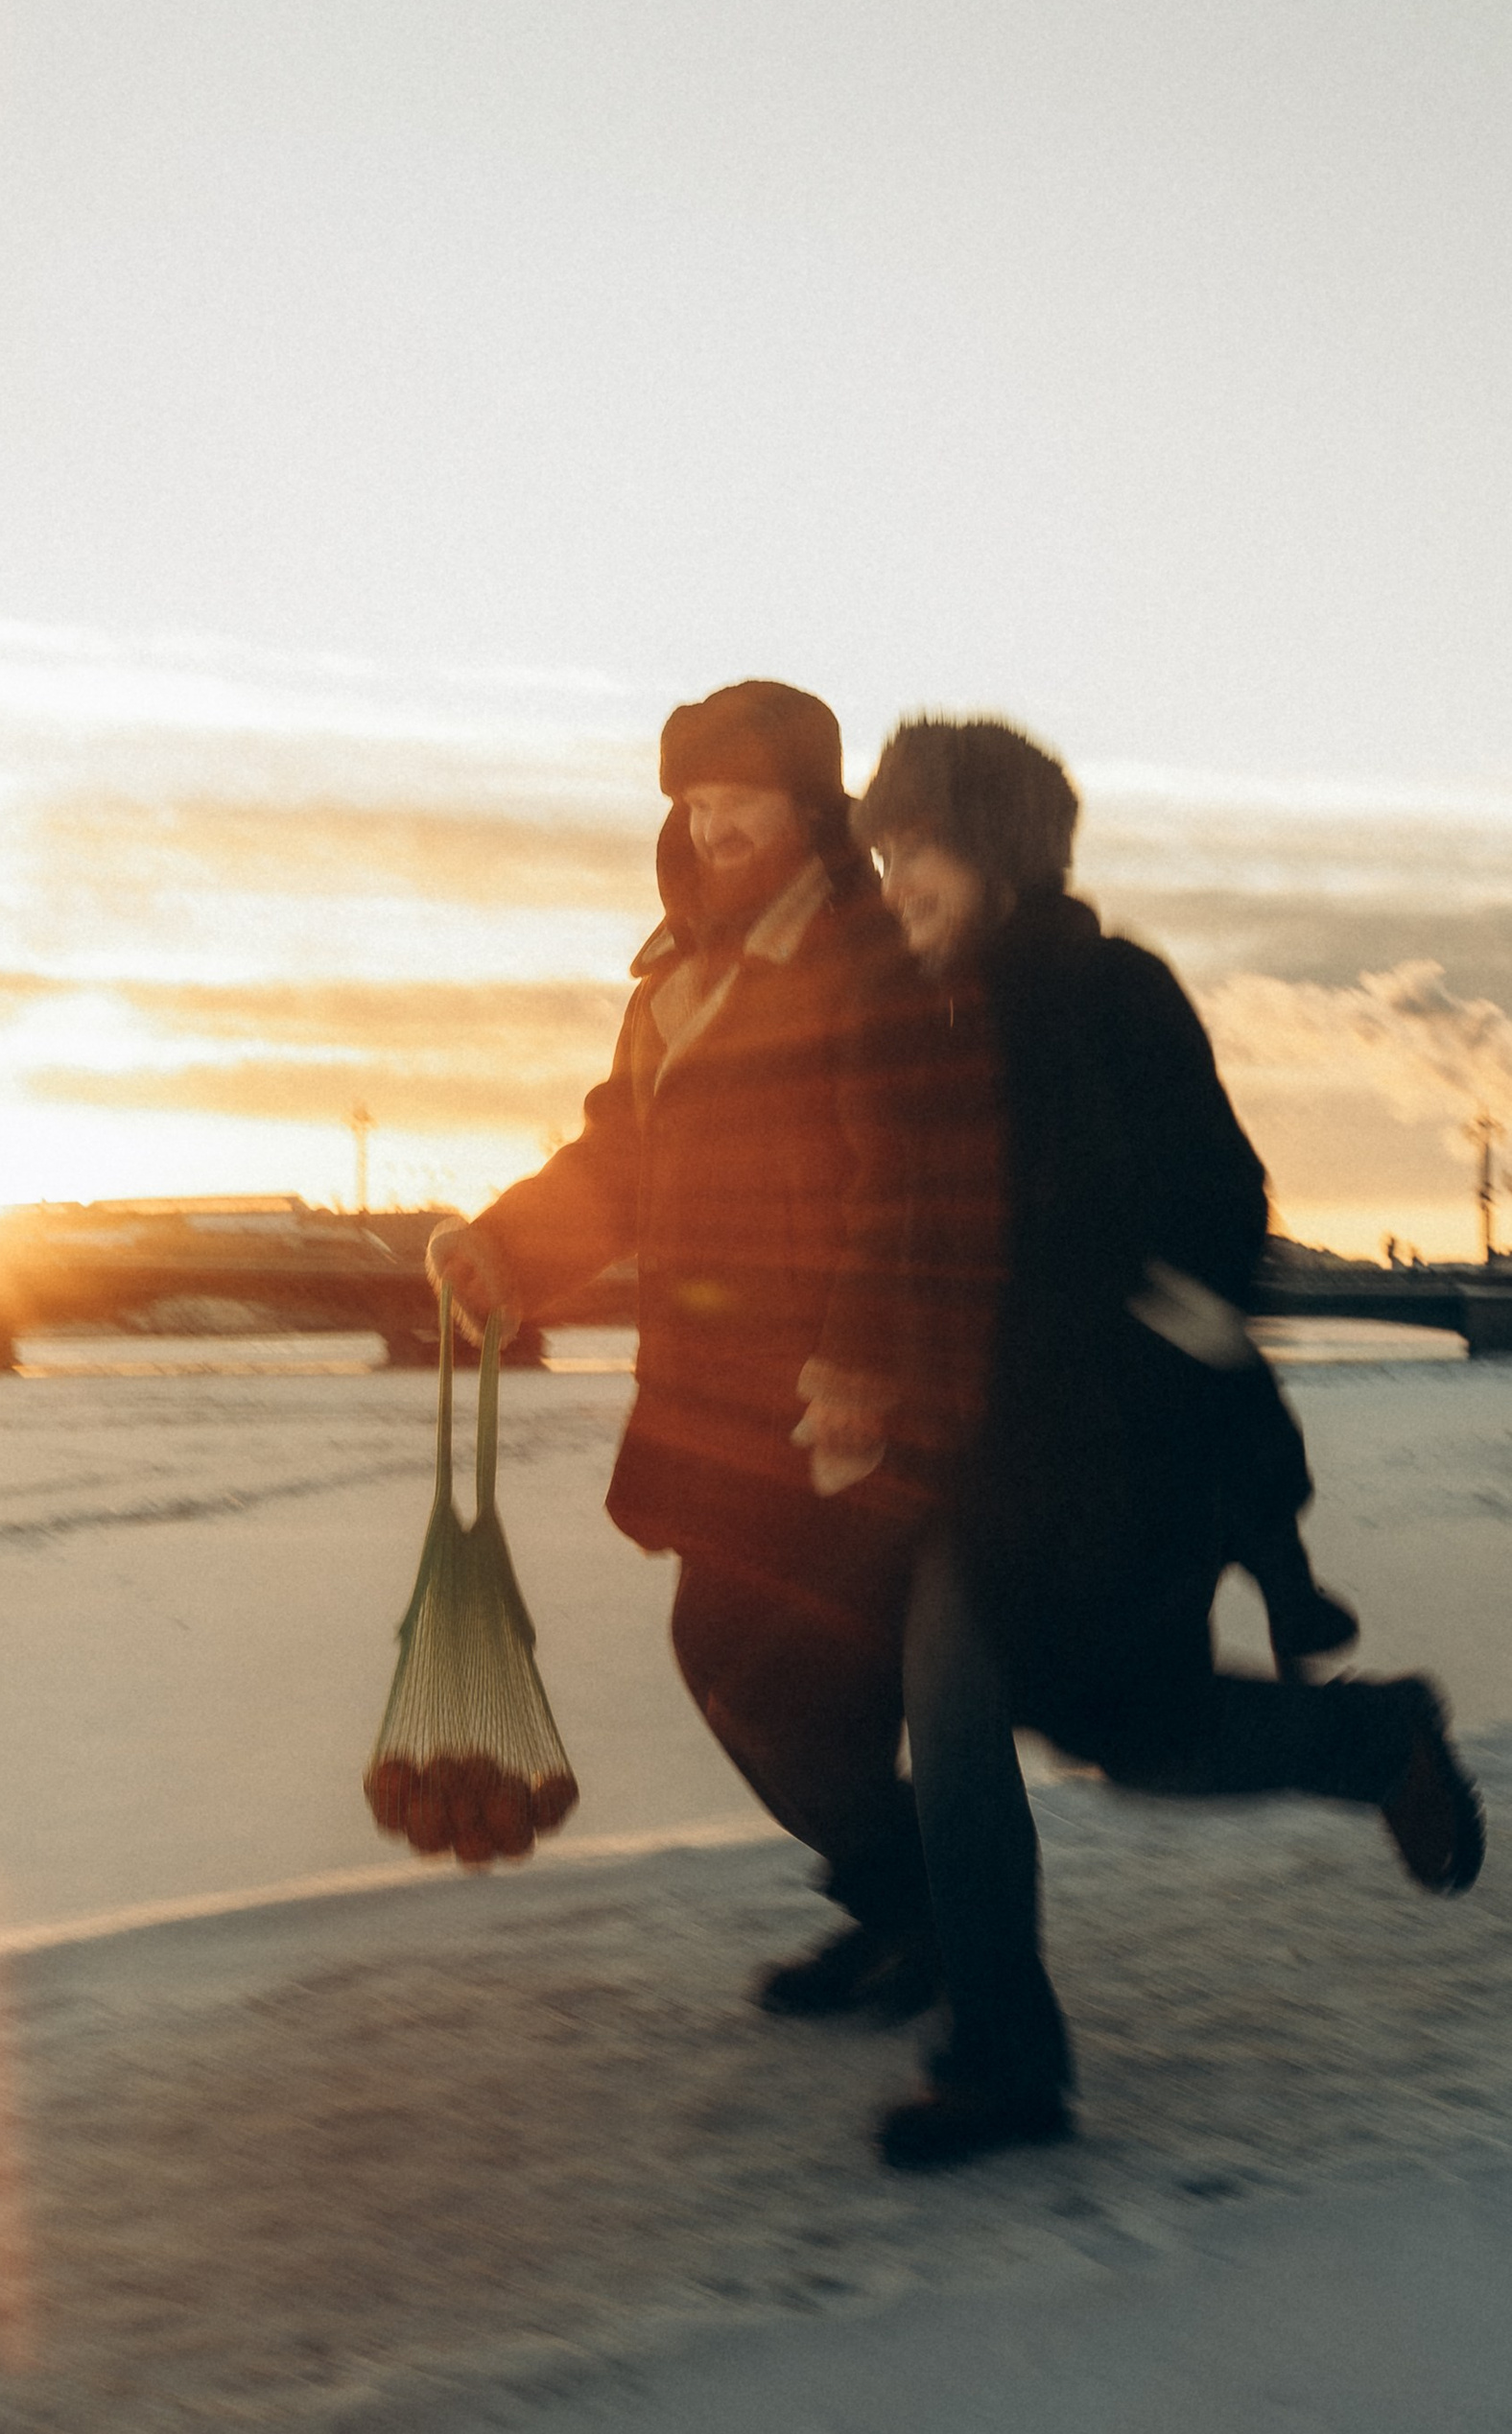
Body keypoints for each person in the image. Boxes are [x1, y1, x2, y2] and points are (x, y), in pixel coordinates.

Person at [852, 717, 1484, 2170]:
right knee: (975, 1711)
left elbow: (1221, 1193)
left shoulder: (1109, 992)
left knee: (1137, 1736)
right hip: (974, 1453)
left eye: (919, 848)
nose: (898, 880)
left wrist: (1146, 1335)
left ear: (999, 850)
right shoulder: (920, 1018)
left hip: (1123, 1461)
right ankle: (1011, 2056)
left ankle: (1372, 1737)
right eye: (884, 853)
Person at [429, 679, 949, 2018]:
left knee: (762, 1668)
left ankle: (933, 1911)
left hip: (840, 1395)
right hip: (716, 1384)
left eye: (739, 805)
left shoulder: (862, 954)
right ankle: (915, 1909)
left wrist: (860, 1369)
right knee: (759, 1674)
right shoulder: (675, 973)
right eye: (694, 806)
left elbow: (903, 1176)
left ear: (810, 810)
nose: (712, 829)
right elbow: (618, 1156)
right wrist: (507, 1248)